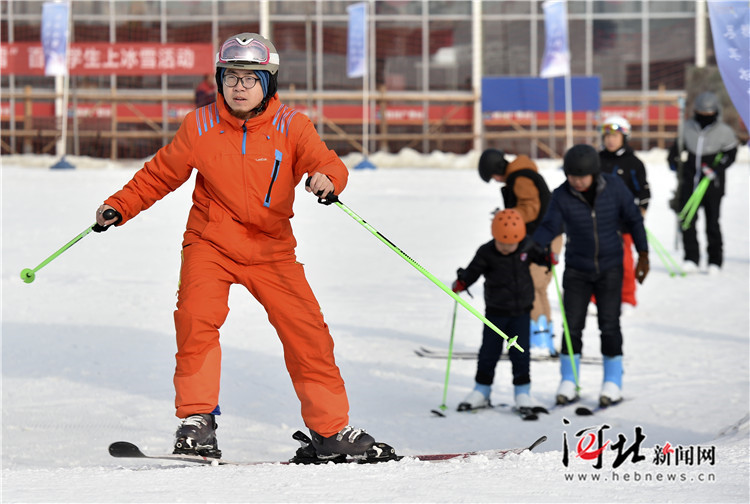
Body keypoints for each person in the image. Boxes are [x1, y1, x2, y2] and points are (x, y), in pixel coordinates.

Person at [93, 32, 385, 461]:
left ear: (268, 83)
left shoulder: (292, 125)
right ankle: (197, 422)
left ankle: (330, 431)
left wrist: (327, 178)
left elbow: (324, 161)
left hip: (271, 249)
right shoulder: (200, 125)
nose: (239, 87)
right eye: (231, 77)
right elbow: (160, 174)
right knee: (196, 321)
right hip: (210, 242)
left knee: (307, 332)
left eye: (250, 79)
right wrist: (119, 205)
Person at [530, 144, 650, 407]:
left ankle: (612, 382)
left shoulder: (614, 188)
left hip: (610, 268)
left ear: (594, 173)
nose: (577, 181)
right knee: (572, 326)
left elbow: (633, 219)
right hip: (577, 270)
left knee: (609, 325)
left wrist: (643, 252)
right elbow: (550, 225)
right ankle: (568, 380)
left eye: (582, 176)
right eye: (572, 176)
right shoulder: (562, 195)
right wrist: (534, 245)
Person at [451, 209, 551, 413]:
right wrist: (462, 282)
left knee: (520, 353)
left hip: (521, 312)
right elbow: (473, 271)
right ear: (494, 236)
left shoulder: (527, 246)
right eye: (502, 243)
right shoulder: (486, 252)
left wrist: (547, 258)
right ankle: (482, 390)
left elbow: (541, 256)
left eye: (511, 245)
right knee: (489, 352)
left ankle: (522, 392)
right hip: (495, 313)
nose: (506, 248)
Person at [478, 149, 562, 357]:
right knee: (538, 288)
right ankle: (542, 337)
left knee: (530, 287)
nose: (496, 181)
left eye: (494, 177)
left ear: (496, 169)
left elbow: (531, 207)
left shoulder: (520, 177)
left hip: (542, 238)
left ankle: (539, 341)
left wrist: (507, 217)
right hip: (545, 236)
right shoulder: (522, 174)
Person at [667, 91, 739, 274]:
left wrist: (717, 169)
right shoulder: (687, 128)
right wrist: (675, 163)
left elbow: (731, 154)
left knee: (712, 222)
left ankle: (715, 260)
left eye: (709, 114)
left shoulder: (724, 132)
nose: (705, 117)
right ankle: (691, 258)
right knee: (687, 220)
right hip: (689, 183)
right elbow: (676, 150)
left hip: (712, 185)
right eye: (701, 113)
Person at [597, 116, 650, 310]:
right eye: (607, 136)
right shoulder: (596, 160)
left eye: (615, 136)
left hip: (623, 223)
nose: (610, 140)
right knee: (596, 261)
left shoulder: (633, 163)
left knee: (625, 262)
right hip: (598, 221)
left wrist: (640, 211)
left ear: (624, 137)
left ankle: (627, 298)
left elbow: (643, 192)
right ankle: (594, 298)